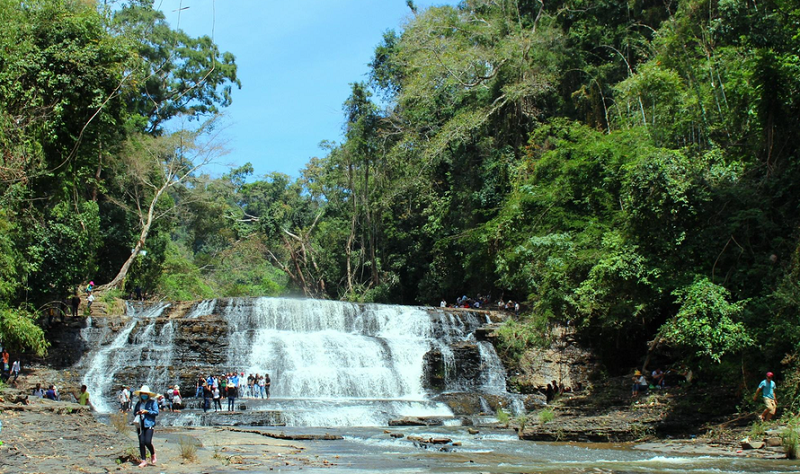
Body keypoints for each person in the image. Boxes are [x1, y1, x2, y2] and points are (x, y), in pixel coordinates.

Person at [132, 385, 159, 468]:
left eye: (145, 394)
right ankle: (143, 460)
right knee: (141, 442)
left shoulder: (152, 402)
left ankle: (153, 454)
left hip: (149, 424)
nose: (144, 395)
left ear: (148, 394)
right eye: (142, 394)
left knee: (147, 441)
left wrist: (147, 412)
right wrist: (138, 413)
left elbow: (156, 412)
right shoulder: (138, 403)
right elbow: (135, 412)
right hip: (140, 424)